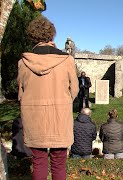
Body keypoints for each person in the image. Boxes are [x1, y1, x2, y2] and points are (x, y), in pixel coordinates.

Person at [17, 15, 79, 180]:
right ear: (52, 35)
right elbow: (74, 90)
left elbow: (21, 92)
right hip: (59, 117)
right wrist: (62, 102)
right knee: (59, 163)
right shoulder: (67, 60)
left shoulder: (23, 62)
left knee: (38, 161)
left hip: (35, 118)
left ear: (32, 36)